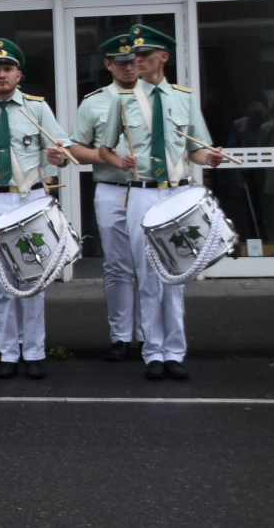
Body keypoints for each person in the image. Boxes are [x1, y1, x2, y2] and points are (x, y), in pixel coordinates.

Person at [94, 24, 223, 380]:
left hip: (177, 192)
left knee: (175, 274)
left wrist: (210, 159)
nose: (136, 61)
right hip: (141, 191)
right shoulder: (122, 101)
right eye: (134, 56)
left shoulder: (184, 98)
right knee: (148, 273)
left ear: (163, 57)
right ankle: (152, 352)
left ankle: (175, 352)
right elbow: (104, 149)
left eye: (144, 55)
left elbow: (196, 149)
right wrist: (120, 162)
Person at [0, 39, 71, 380]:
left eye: (7, 69)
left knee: (33, 278)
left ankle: (33, 352)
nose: (1, 74)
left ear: (19, 74)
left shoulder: (37, 109)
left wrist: (59, 158)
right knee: (1, 280)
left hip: (30, 198)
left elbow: (61, 155)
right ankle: (8, 351)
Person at [66, 35, 141, 361]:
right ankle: (121, 337)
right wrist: (107, 156)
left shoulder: (155, 98)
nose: (128, 67)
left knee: (151, 266)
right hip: (112, 188)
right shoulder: (93, 102)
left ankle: (150, 337)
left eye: (133, 61)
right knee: (117, 266)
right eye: (120, 63)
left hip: (152, 190)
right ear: (109, 64)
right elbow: (75, 149)